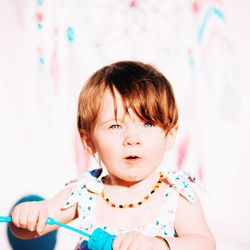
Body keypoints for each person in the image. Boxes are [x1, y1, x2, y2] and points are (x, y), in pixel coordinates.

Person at [9, 61, 216, 250]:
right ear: (89, 141)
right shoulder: (86, 192)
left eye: (147, 123)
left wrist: (159, 245)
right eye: (115, 126)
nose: (132, 138)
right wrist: (29, 217)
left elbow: (204, 244)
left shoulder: (174, 195)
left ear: (169, 134)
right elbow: (36, 227)